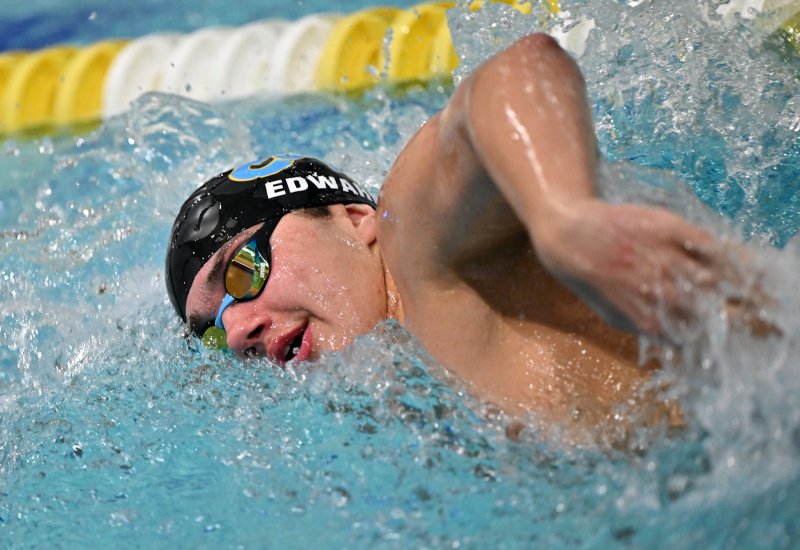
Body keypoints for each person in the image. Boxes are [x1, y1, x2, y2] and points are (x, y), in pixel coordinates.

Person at [166, 33, 731, 438]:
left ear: (352, 219)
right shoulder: (394, 405)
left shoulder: (413, 241)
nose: (238, 331)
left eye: (244, 270)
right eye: (214, 333)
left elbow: (519, 71)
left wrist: (565, 218)